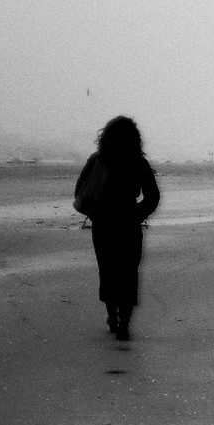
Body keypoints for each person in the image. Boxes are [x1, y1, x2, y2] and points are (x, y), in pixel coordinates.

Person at [74, 116, 160, 340]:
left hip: (103, 224)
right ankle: (124, 325)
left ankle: (112, 316)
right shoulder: (138, 163)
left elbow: (80, 192)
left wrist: (95, 213)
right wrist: (138, 214)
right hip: (129, 225)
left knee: (108, 271)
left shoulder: (97, 160)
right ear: (135, 139)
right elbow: (153, 196)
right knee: (128, 273)